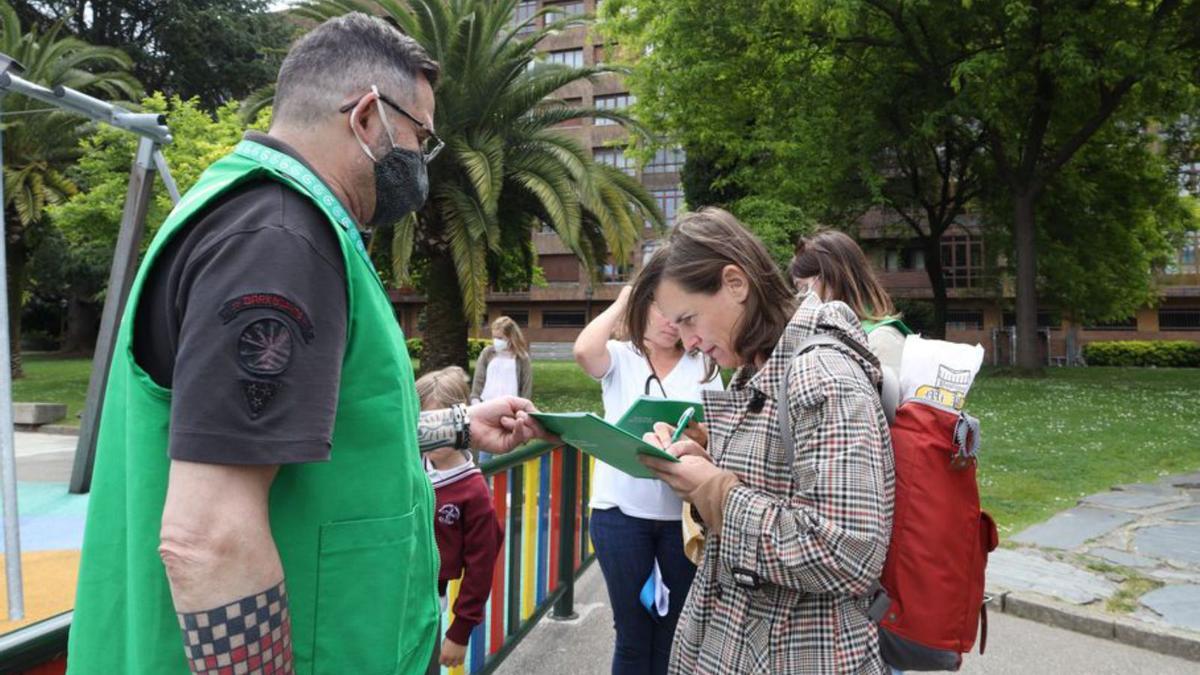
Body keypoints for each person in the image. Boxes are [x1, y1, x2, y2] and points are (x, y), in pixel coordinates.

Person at [68, 14, 546, 674]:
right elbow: (208, 537)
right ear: (369, 117)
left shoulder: (268, 220)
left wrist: (458, 423)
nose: (424, 161)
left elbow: (324, 436)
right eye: (421, 138)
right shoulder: (280, 238)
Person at [633, 208, 894, 674]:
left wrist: (714, 489)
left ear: (735, 283)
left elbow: (850, 552)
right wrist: (702, 467)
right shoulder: (759, 367)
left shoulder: (822, 374)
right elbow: (777, 485)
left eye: (690, 319)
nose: (688, 342)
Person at [572, 284, 722, 675]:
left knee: (675, 630)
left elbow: (719, 433)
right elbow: (584, 352)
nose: (671, 323)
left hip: (683, 519)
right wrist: (623, 300)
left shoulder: (704, 365)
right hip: (620, 514)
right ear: (641, 308)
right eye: (661, 311)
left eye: (679, 314)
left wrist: (698, 437)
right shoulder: (621, 357)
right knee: (633, 633)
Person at [416, 367, 504, 673]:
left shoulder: (473, 491)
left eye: (441, 422)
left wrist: (460, 629)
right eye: (423, 423)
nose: (432, 434)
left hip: (427, 601)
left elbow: (481, 563)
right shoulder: (412, 467)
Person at [789, 229, 913, 421]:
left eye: (804, 287)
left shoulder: (882, 339)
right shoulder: (828, 337)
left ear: (831, 279)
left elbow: (891, 425)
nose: (801, 299)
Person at [471, 316, 532, 462]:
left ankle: (508, 485)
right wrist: (475, 402)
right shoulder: (487, 353)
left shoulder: (522, 357)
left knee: (508, 457)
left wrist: (522, 412)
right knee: (485, 456)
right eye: (494, 337)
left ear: (510, 337)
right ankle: (485, 482)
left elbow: (526, 386)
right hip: (486, 408)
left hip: (509, 412)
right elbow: (479, 379)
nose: (496, 341)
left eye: (500, 337)